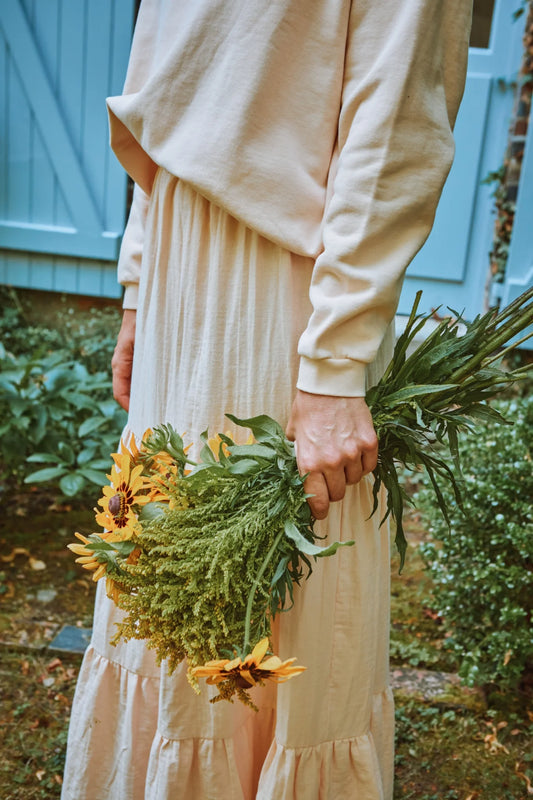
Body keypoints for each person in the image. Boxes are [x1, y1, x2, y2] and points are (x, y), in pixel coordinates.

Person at [62, 1, 471, 797]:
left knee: (277, 586)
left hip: (288, 283)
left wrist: (333, 367)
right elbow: (167, 97)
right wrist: (141, 287)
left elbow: (394, 122)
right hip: (184, 262)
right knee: (165, 561)